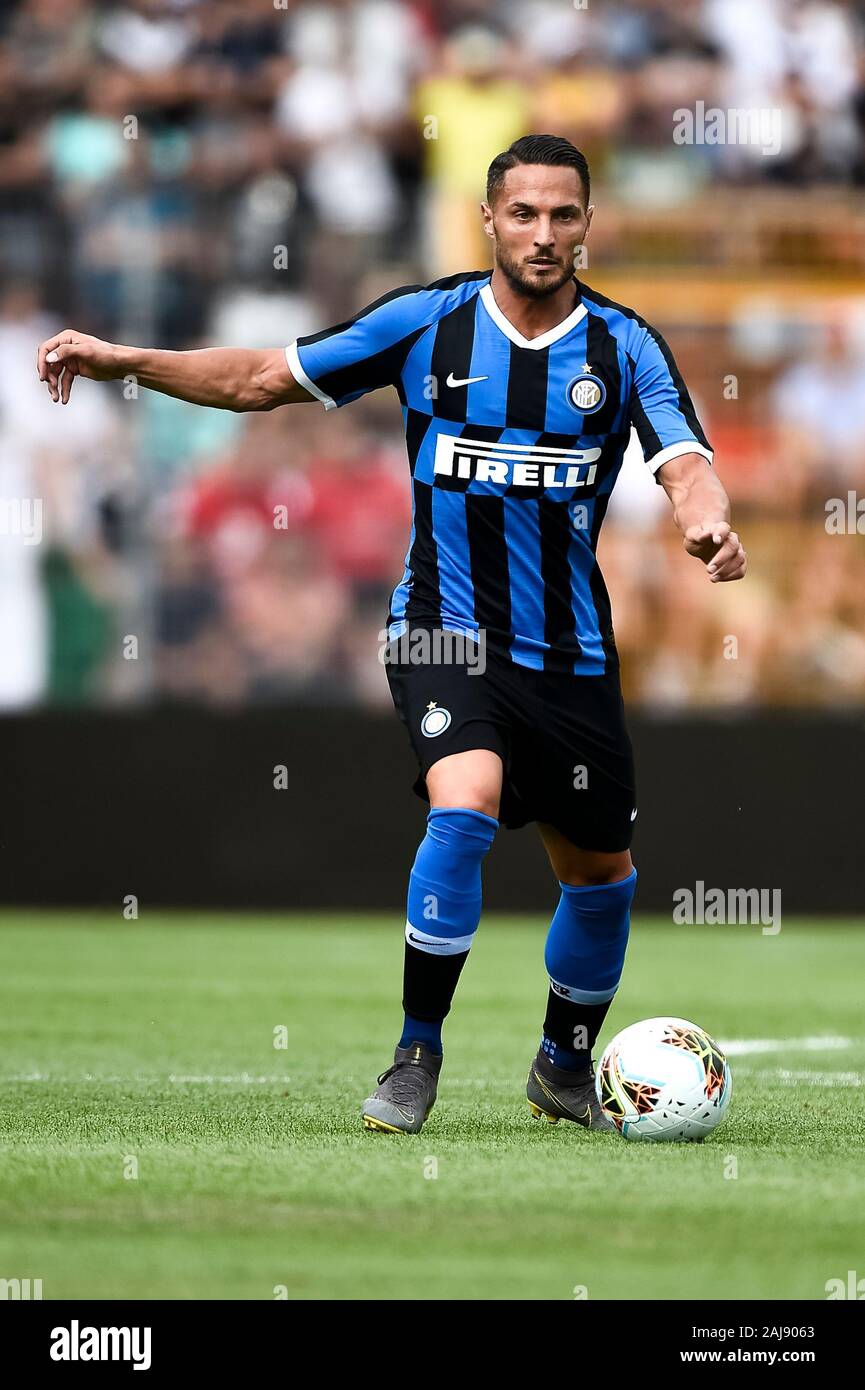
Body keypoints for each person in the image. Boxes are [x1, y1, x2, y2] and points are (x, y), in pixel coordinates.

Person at [36, 134, 746, 1136]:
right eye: (524, 214)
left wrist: (704, 517)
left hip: (571, 652)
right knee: (465, 800)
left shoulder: (623, 345)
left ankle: (561, 1064)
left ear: (587, 224)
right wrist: (125, 361)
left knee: (601, 875)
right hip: (438, 629)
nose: (543, 234)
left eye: (564, 215)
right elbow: (258, 380)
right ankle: (417, 1053)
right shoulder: (427, 322)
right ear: (490, 220)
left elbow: (684, 459)